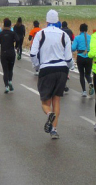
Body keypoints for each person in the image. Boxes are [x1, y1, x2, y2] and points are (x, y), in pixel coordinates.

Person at [30, 10, 75, 140]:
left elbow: (33, 54)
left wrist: (37, 66)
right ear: (58, 21)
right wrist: (70, 67)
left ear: (47, 21)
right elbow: (68, 57)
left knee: (45, 102)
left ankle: (49, 114)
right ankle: (54, 130)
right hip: (61, 70)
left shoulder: (40, 34)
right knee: (57, 100)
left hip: (46, 68)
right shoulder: (64, 35)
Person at [0, 18, 18, 93]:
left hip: (4, 54)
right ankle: (10, 81)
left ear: (3, 25)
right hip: (11, 53)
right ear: (10, 25)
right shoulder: (13, 33)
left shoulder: (1, 33)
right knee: (10, 69)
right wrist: (16, 46)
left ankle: (6, 86)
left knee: (5, 71)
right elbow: (18, 40)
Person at [71, 23, 93, 97]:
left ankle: (84, 91)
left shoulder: (77, 38)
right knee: (88, 74)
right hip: (89, 57)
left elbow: (73, 48)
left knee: (81, 74)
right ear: (87, 30)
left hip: (80, 56)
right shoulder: (91, 37)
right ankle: (90, 83)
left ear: (80, 29)